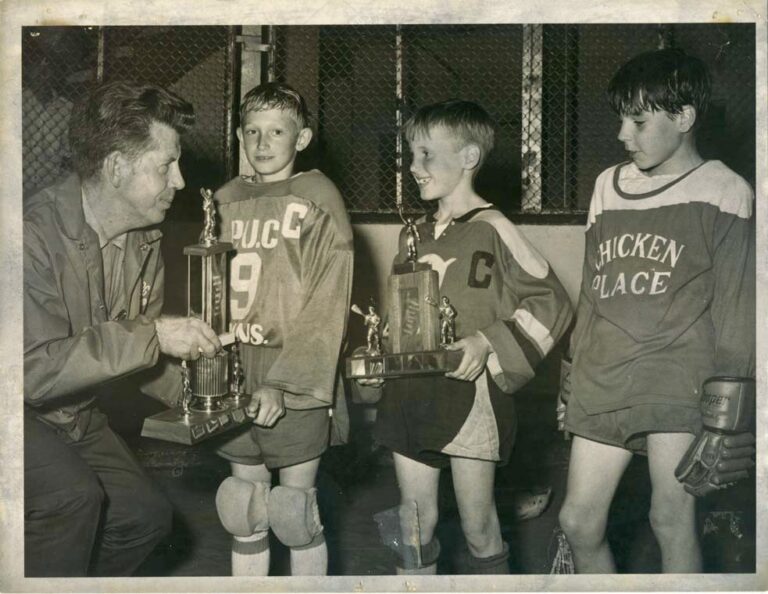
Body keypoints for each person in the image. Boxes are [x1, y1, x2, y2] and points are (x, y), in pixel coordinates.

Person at [557, 49, 756, 573]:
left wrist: (727, 410)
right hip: (605, 371)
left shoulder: (727, 190)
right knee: (578, 521)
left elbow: (739, 306)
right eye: (622, 119)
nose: (624, 133)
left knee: (669, 518)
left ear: (684, 118)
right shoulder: (607, 186)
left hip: (676, 376)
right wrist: (573, 368)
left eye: (639, 121)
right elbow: (591, 288)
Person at [23, 80, 223, 577]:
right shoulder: (29, 235)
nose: (179, 180)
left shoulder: (144, 241)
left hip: (71, 414)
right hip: (15, 409)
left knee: (144, 517)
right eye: (165, 165)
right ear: (115, 168)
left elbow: (133, 361)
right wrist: (155, 335)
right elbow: (30, 370)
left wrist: (206, 394)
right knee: (71, 497)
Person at [365, 100, 573, 574]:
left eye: (425, 155)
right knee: (411, 524)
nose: (414, 167)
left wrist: (487, 343)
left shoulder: (494, 228)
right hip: (411, 393)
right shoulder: (412, 235)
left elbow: (553, 303)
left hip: (470, 393)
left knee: (479, 527)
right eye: (410, 156)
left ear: (468, 158)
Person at [211, 82, 353, 576]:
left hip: (294, 372)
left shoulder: (317, 196)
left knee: (295, 512)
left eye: (277, 131)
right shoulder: (224, 200)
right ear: (238, 135)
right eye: (252, 131)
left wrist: (283, 382)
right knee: (242, 506)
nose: (263, 142)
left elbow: (328, 301)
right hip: (236, 369)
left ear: (304, 137)